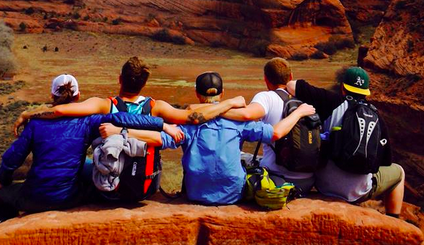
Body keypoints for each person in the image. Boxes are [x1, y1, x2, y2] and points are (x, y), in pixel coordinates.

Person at [99, 71, 316, 205]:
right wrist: (299, 112)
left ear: (197, 94)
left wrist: (121, 132)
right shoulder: (238, 120)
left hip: (196, 193)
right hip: (233, 195)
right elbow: (276, 133)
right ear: (221, 94)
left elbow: (158, 139)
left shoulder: (189, 122)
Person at [0, 74, 174, 220]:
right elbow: (123, 118)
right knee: (89, 172)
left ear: (52, 96)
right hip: (70, 198)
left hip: (34, 197)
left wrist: (5, 181)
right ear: (77, 96)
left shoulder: (36, 124)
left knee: (5, 195)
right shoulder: (88, 121)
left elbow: (10, 162)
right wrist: (162, 125)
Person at [14, 56, 244, 135]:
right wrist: (229, 103)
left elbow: (61, 110)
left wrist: (28, 113)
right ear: (144, 83)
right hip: (144, 182)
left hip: (110, 179)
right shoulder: (157, 107)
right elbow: (194, 117)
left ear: (120, 79)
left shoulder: (105, 105)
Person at [287, 66, 405, 218]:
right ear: (367, 91)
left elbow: (292, 85)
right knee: (399, 172)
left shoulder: (330, 101)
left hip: (323, 185)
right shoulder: (376, 116)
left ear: (343, 87)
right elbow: (385, 162)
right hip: (358, 192)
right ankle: (393, 220)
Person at [222, 57, 316, 195]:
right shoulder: (305, 97)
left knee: (240, 157)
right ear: (291, 76)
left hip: (277, 180)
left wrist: (216, 110)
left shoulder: (266, 97)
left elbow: (248, 114)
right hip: (308, 180)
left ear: (266, 79)